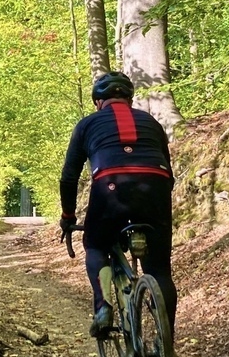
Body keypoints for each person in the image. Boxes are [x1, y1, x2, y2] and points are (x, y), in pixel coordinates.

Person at [59, 71, 176, 338]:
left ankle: (103, 307)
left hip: (110, 186)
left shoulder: (87, 124)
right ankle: (167, 346)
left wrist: (68, 215)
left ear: (98, 102)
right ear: (130, 100)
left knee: (96, 244)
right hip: (156, 186)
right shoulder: (151, 122)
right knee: (159, 269)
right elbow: (168, 171)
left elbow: (69, 177)